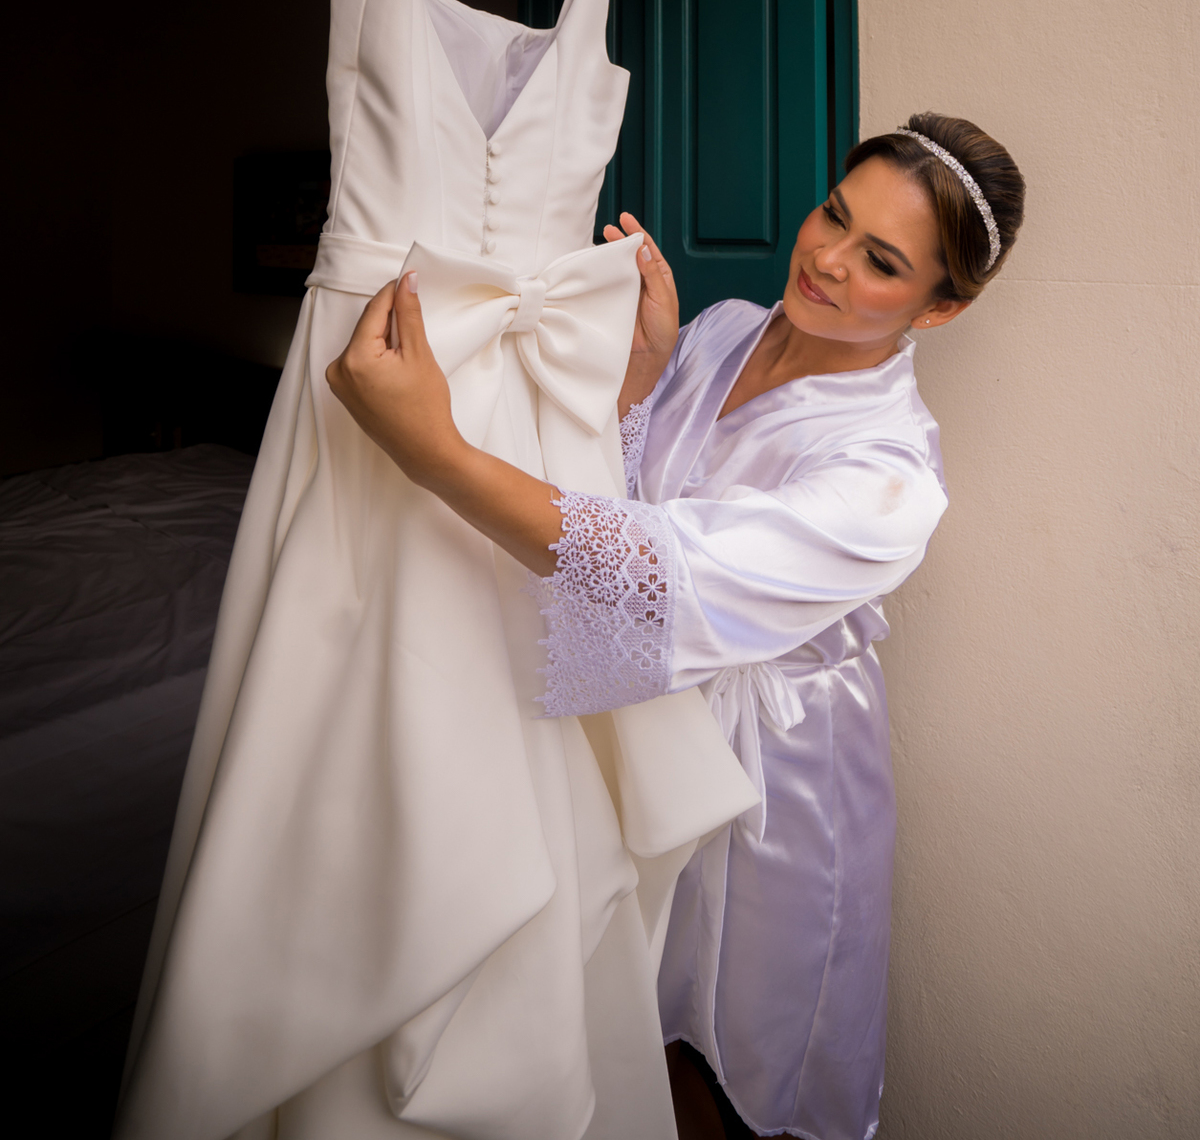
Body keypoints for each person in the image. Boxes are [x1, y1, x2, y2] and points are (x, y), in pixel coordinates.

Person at [327, 111, 1026, 1140]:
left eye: (879, 261)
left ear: (941, 309)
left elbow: (653, 570)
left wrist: (432, 453)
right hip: (640, 732)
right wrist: (647, 373)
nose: (826, 258)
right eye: (834, 213)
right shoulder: (733, 325)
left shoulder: (889, 479)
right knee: (620, 1007)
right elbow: (629, 482)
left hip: (773, 785)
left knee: (734, 1052)